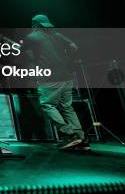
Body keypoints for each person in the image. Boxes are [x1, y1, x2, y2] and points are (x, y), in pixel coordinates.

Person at [23, 14, 89, 150]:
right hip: (66, 76)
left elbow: (19, 51)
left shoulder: (32, 37)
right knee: (67, 107)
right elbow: (74, 46)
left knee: (47, 105)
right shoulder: (57, 35)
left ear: (35, 25)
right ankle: (81, 138)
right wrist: (66, 61)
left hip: (50, 78)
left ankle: (69, 134)